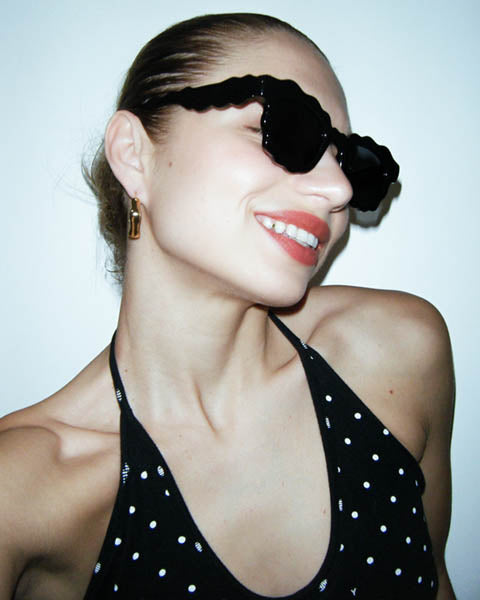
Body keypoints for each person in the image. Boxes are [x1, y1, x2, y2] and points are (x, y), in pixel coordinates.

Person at [0, 12, 455, 600]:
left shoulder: (396, 355)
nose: (339, 189)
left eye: (349, 160)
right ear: (133, 154)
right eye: (285, 128)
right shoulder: (23, 491)